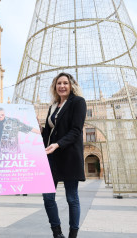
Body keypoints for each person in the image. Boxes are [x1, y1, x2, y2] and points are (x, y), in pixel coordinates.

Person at [41, 72, 86, 238]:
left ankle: (73, 234)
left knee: (71, 198)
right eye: (59, 83)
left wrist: (58, 144)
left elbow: (76, 130)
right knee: (47, 197)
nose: (62, 86)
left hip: (69, 156)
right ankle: (57, 233)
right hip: (51, 155)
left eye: (65, 83)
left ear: (71, 85)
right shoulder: (53, 106)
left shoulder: (78, 102)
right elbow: (47, 132)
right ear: (55, 87)